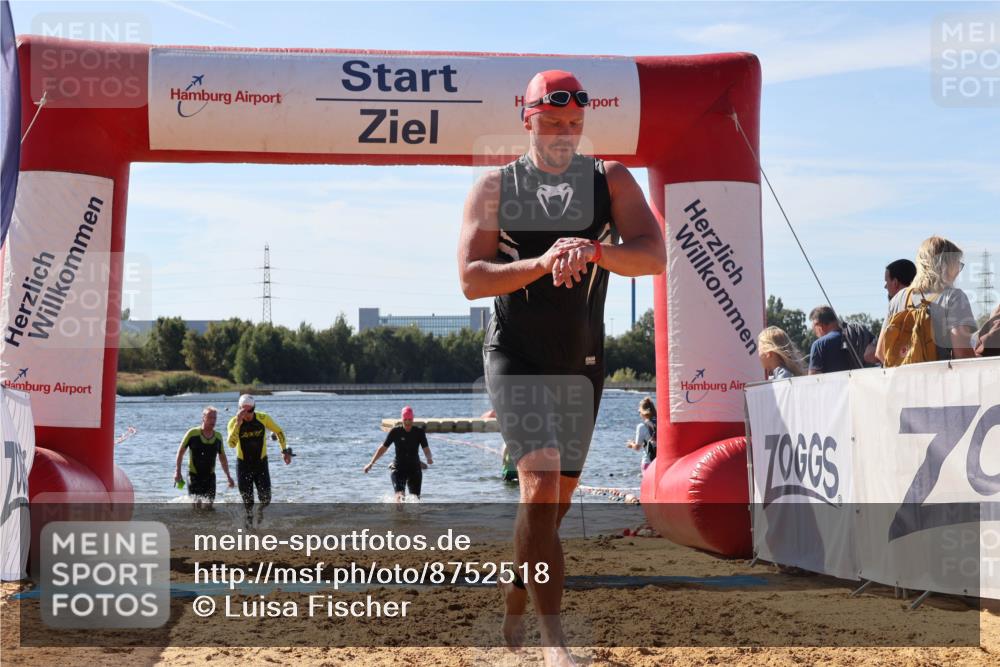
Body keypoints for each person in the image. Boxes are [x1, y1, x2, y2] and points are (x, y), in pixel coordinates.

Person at [457, 69, 665, 665]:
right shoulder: (495, 187)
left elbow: (653, 255)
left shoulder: (611, 181)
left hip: (582, 363)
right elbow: (471, 279)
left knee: (552, 508)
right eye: (551, 123)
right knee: (542, 485)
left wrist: (595, 249)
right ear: (527, 120)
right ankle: (555, 645)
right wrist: (546, 261)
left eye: (574, 125)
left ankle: (515, 597)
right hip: (514, 356)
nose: (563, 135)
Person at [876, 236, 976, 363]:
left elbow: (880, 352)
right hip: (939, 380)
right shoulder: (953, 297)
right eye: (957, 264)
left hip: (902, 381)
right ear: (946, 265)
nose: (958, 271)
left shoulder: (898, 299)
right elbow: (962, 354)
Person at [226, 394, 292, 529]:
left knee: (266, 499)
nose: (247, 414)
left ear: (254, 409)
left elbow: (279, 432)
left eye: (250, 411)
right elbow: (231, 444)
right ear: (239, 409)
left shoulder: (263, 418)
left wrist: (284, 450)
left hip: (261, 464)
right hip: (243, 465)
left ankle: (260, 511)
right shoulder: (233, 422)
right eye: (243, 411)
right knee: (248, 501)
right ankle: (249, 528)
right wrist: (238, 424)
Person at [363, 405, 433, 503]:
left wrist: (429, 457)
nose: (408, 422)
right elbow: (383, 448)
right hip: (399, 468)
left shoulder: (419, 432)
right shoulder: (395, 431)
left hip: (414, 469)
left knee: (415, 500)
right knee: (400, 498)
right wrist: (371, 463)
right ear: (402, 419)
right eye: (405, 420)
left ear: (413, 419)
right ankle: (399, 516)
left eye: (410, 419)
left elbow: (426, 449)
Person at [174, 406, 234, 509]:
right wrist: (177, 471)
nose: (213, 420)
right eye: (210, 417)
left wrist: (228, 476)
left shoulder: (218, 437)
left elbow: (222, 458)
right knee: (197, 506)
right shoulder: (192, 433)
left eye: (215, 418)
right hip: (194, 476)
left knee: (209, 507)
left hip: (210, 477)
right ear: (203, 418)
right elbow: (180, 453)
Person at [625, 397, 657, 472]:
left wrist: (631, 444)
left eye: (639, 412)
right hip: (660, 463)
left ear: (642, 412)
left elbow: (637, 447)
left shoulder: (642, 426)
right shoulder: (661, 423)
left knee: (649, 484)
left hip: (648, 462)